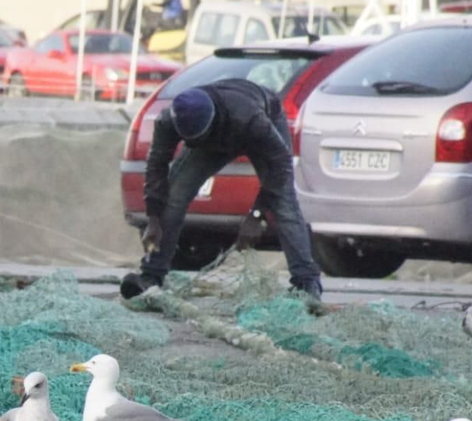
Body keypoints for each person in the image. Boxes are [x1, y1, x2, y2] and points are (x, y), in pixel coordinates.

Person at [119, 82, 323, 307]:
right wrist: (154, 219)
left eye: (197, 139)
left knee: (284, 203)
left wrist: (256, 215)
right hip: (222, 127)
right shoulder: (168, 121)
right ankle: (151, 275)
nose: (192, 145)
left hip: (258, 120)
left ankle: (306, 282)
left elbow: (281, 164)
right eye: (189, 141)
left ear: (211, 124)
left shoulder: (251, 121)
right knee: (174, 195)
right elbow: (156, 167)